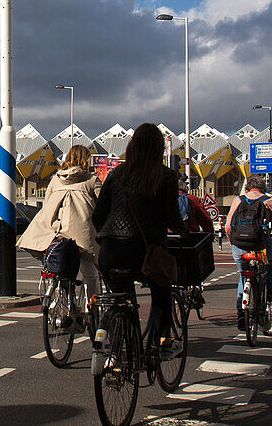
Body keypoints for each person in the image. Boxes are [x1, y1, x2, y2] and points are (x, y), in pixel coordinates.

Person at [92, 123, 188, 354]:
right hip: (145, 252)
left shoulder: (116, 175)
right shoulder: (165, 176)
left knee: (119, 299)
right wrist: (185, 232)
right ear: (158, 149)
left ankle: (118, 347)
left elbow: (97, 216)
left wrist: (107, 237)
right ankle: (158, 342)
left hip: (110, 253)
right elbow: (172, 217)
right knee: (162, 289)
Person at [18, 144, 103, 303]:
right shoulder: (92, 180)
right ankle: (94, 309)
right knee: (90, 274)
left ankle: (62, 306)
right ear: (86, 159)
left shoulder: (56, 180)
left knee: (61, 272)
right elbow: (104, 206)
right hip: (83, 235)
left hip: (57, 234)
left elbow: (47, 205)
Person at [225, 179, 272, 330]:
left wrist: (232, 242)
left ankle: (242, 315)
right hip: (260, 246)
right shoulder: (269, 201)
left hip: (240, 246)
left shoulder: (238, 200)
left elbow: (228, 226)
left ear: (247, 188)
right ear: (263, 188)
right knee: (271, 260)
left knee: (244, 277)